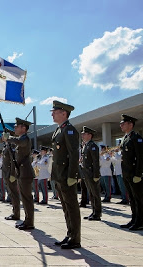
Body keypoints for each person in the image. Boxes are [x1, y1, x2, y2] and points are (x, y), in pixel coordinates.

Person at [50, 100, 81, 249]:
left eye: (55, 112)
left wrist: (72, 175)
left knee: (72, 207)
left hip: (66, 175)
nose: (52, 114)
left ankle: (75, 238)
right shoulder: (59, 130)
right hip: (59, 175)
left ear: (64, 113)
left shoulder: (69, 130)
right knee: (65, 207)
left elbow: (74, 154)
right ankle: (70, 234)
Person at [5, 118, 35, 231]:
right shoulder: (21, 138)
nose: (15, 128)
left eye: (17, 126)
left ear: (23, 128)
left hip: (25, 172)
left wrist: (10, 138)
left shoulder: (25, 138)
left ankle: (29, 222)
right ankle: (27, 220)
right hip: (22, 172)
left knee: (27, 198)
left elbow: (19, 142)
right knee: (24, 197)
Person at [119, 114, 143, 231]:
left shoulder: (136, 138)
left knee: (139, 198)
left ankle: (140, 221)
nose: (121, 125)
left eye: (123, 123)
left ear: (130, 124)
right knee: (132, 198)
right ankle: (134, 219)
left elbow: (140, 157)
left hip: (134, 174)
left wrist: (139, 174)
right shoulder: (125, 138)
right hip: (127, 173)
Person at [80, 126, 101, 221]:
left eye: (84, 134)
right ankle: (93, 211)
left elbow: (96, 161)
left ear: (90, 135)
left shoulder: (93, 146)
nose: (82, 135)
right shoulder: (86, 145)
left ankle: (97, 213)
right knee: (91, 194)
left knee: (95, 194)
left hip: (92, 173)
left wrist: (96, 175)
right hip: (86, 173)